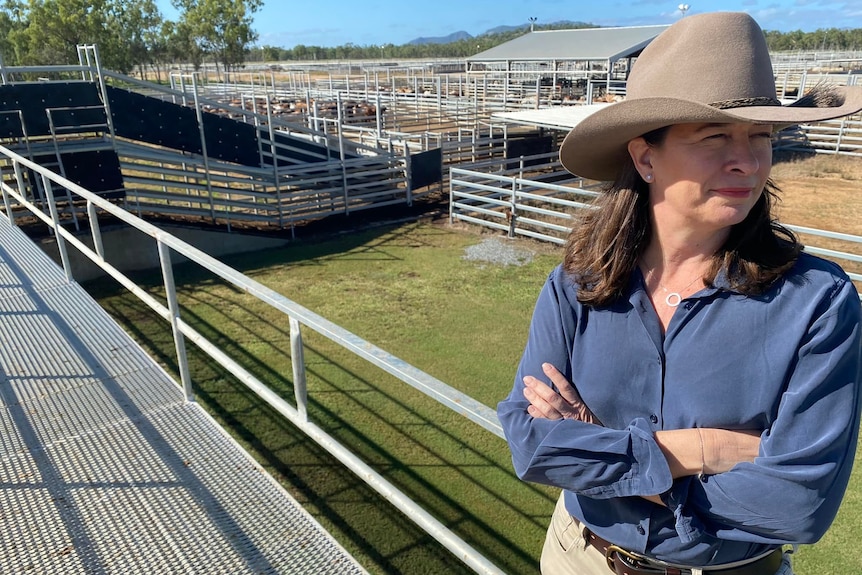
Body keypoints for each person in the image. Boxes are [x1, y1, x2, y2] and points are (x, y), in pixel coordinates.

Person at [497, 11, 862, 575]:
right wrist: (704, 451)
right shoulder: (579, 282)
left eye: (759, 136)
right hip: (580, 558)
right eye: (715, 136)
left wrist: (606, 452)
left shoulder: (816, 301)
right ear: (645, 157)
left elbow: (798, 505)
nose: (747, 160)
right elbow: (532, 442)